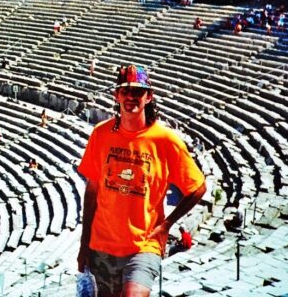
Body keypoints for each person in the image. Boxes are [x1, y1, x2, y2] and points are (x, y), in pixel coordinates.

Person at [77, 65, 206, 297]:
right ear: (116, 95)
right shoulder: (101, 134)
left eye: (137, 91)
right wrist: (84, 244)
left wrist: (167, 224)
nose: (130, 97)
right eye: (125, 91)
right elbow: (92, 191)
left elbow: (197, 187)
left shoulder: (166, 140)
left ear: (149, 96)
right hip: (101, 245)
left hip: (144, 245)